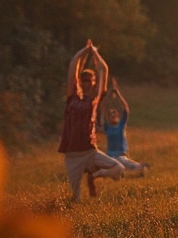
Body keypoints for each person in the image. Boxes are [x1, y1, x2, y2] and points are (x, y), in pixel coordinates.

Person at [58, 40, 124, 201]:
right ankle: (89, 181)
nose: (87, 83)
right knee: (75, 199)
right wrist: (84, 51)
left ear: (93, 83)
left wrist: (95, 53)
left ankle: (95, 175)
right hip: (72, 154)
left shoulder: (95, 99)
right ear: (80, 82)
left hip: (90, 150)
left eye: (90, 81)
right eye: (84, 80)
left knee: (119, 168)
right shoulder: (71, 97)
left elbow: (104, 69)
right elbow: (73, 66)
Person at [100, 78, 150, 175]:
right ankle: (125, 171)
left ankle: (140, 167)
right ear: (108, 118)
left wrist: (117, 92)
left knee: (124, 163)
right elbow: (103, 108)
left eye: (115, 113)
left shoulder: (121, 125)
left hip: (121, 156)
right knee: (107, 167)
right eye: (110, 114)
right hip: (110, 156)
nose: (113, 115)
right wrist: (109, 93)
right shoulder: (107, 127)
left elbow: (125, 108)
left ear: (118, 116)